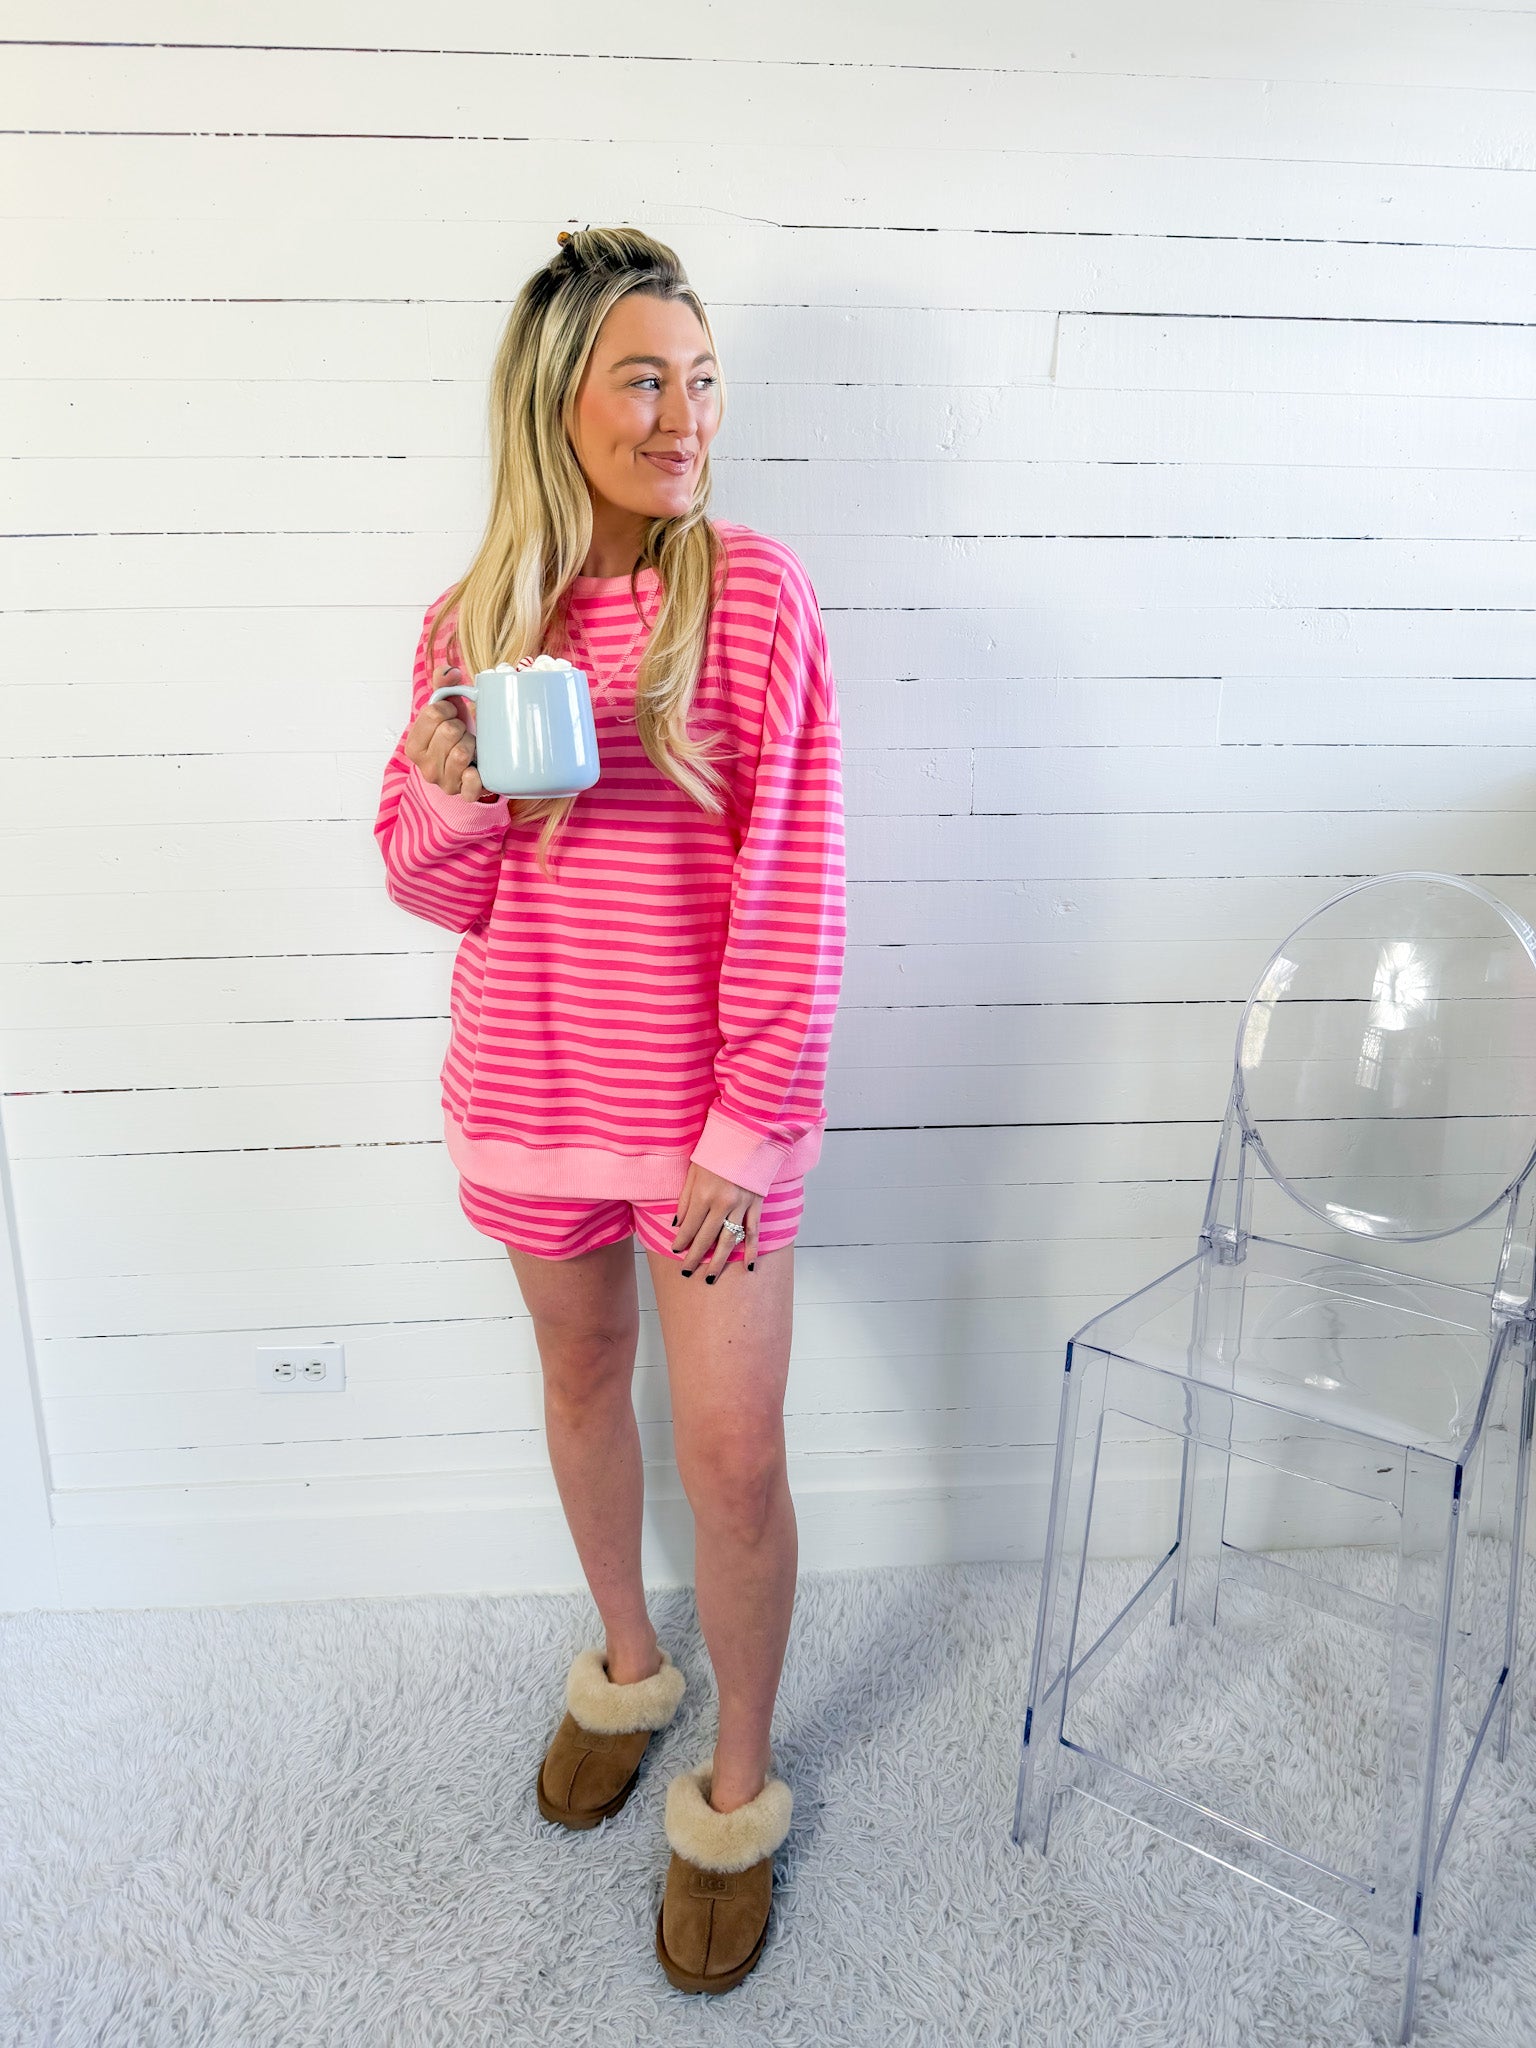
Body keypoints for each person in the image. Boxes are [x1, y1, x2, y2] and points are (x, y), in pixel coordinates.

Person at [373, 226, 846, 1995]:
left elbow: (795, 886)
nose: (685, 413)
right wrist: (456, 789)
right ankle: (628, 1671)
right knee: (580, 1380)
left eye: (702, 377)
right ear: (556, 403)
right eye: (647, 376)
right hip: (530, 1090)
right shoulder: (471, 625)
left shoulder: (759, 597)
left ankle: (733, 1789)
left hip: (713, 1126)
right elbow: (433, 893)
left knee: (733, 1458)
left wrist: (742, 1128)